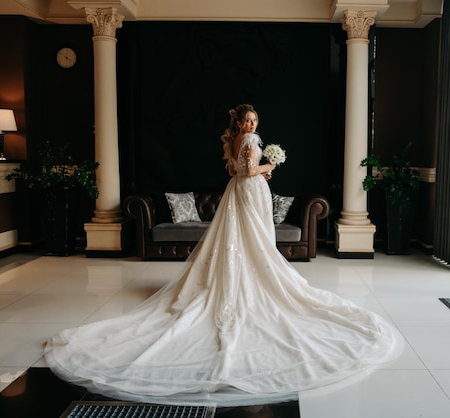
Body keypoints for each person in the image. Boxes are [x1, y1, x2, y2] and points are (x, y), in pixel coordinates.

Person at [44, 104, 402, 406]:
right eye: (247, 121)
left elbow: (231, 170)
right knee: (252, 240)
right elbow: (246, 170)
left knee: (248, 239)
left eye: (254, 122)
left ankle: (245, 274)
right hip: (250, 189)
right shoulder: (248, 142)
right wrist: (269, 167)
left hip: (240, 192)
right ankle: (247, 281)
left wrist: (258, 169)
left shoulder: (232, 140)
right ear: (240, 123)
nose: (250, 126)